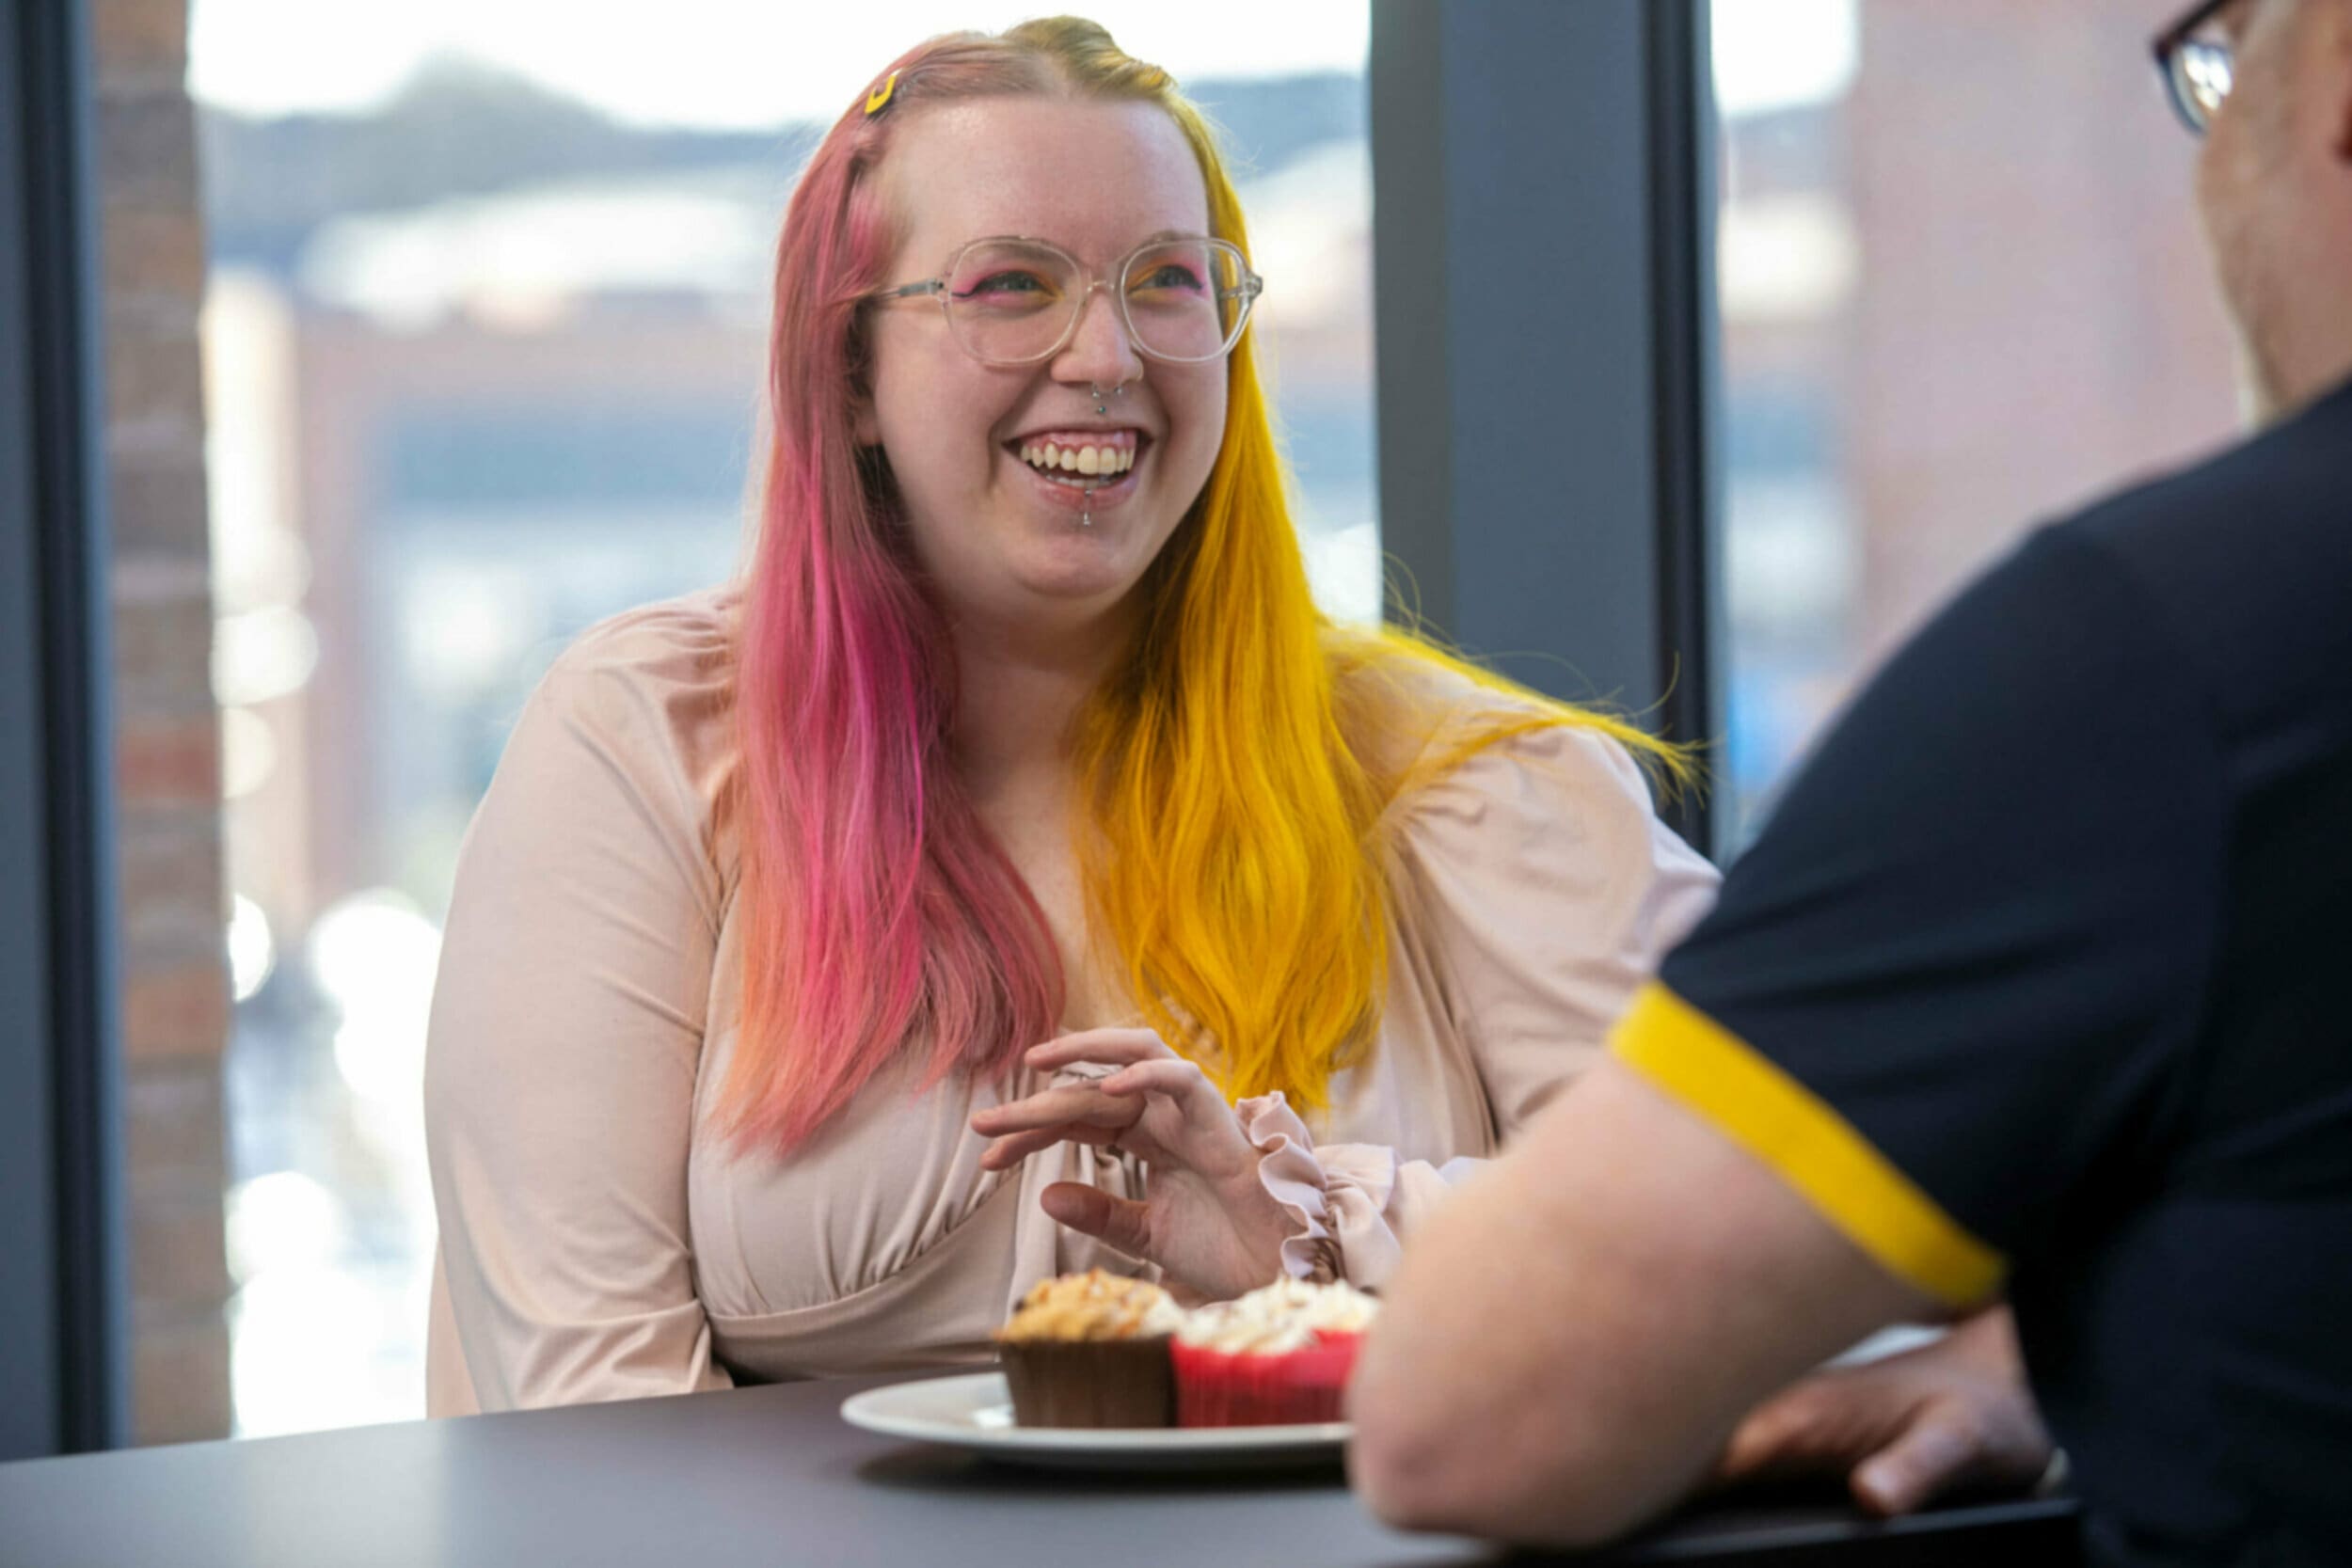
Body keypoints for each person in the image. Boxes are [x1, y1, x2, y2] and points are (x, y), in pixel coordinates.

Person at [420, 17, 1722, 1414]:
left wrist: (1310, 1230)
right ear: (850, 369)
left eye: (1168, 282)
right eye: (1010, 286)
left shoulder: (1466, 785)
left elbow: (1749, 1226)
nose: (1106, 355)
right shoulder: (649, 747)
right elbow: (585, 1415)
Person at [1348, 1, 2352, 1563]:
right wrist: (2039, 1352)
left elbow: (1469, 1414)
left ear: (2340, 79)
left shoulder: (2156, 661)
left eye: (2219, 63)